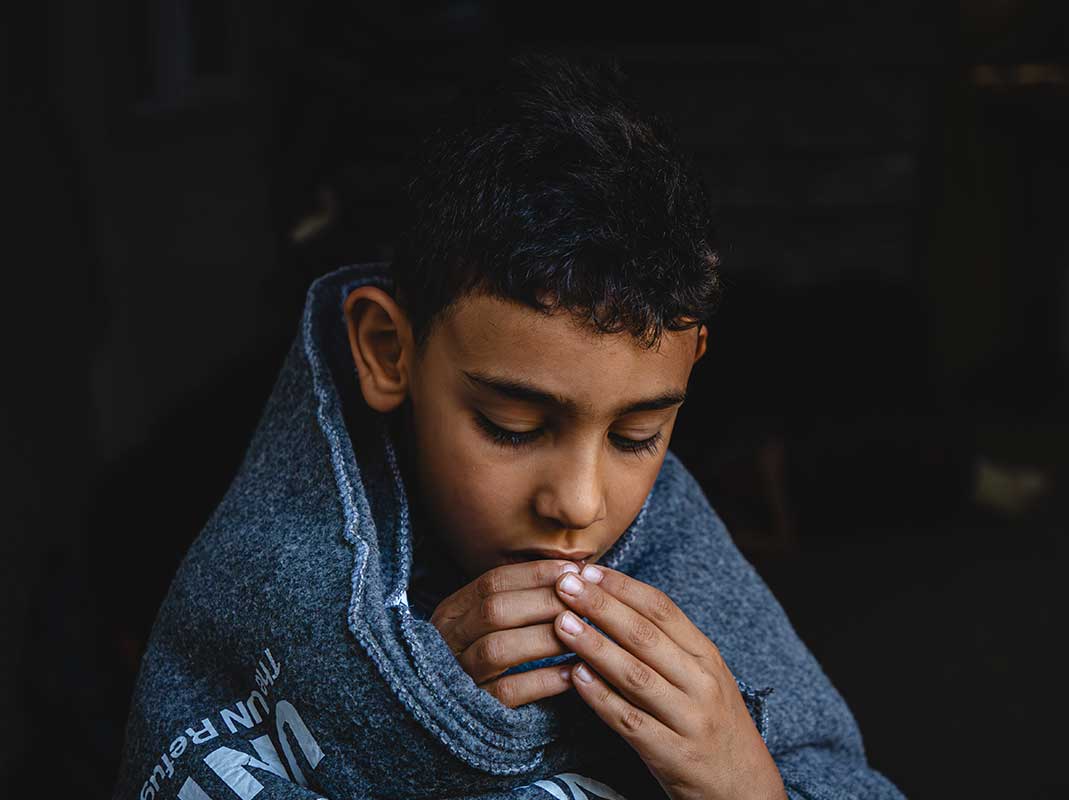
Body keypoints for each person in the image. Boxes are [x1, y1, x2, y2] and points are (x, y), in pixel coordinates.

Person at [113, 55, 903, 799]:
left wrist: (745, 779)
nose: (580, 503)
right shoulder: (277, 566)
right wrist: (408, 727)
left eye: (636, 438)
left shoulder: (674, 541)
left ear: (691, 366)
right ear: (388, 352)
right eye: (513, 425)